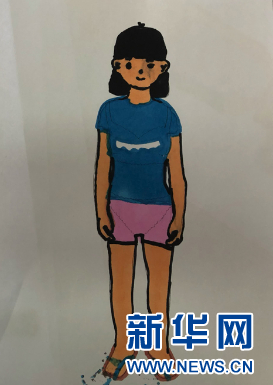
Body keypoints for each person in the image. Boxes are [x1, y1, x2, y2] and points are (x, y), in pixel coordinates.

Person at [94, 23, 187, 381]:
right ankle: (123, 345)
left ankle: (158, 347)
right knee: (122, 282)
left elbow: (177, 171)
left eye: (150, 64)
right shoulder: (109, 111)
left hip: (160, 211)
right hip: (119, 208)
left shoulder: (167, 114)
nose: (141, 70)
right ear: (118, 67)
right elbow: (102, 166)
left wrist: (179, 215)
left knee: (158, 284)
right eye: (131, 63)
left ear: (162, 68)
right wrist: (101, 210)